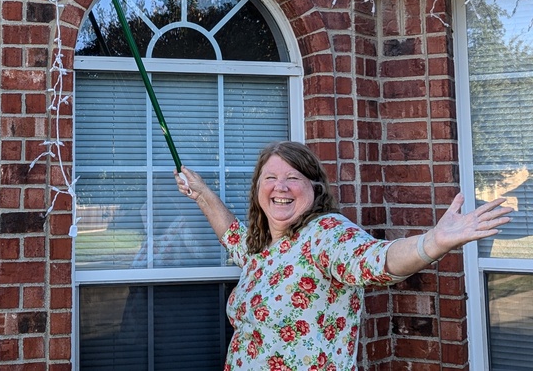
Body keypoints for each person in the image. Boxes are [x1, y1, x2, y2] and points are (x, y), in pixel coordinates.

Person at [174, 141, 511, 371]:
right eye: (271, 178)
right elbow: (232, 236)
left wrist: (434, 242)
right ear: (258, 188)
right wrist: (202, 194)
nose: (281, 187)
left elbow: (378, 261)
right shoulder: (262, 246)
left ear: (314, 188)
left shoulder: (326, 234)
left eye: (293, 178)